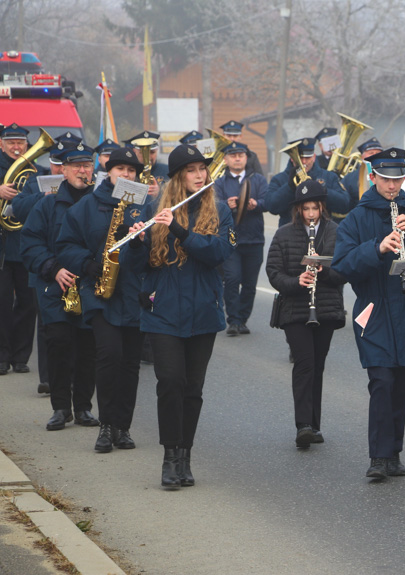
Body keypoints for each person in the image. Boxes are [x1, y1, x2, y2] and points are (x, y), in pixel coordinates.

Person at [332, 147, 405, 479]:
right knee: (381, 381)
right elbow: (341, 265)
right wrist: (377, 248)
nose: (392, 186)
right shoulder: (358, 216)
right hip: (374, 309)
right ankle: (378, 457)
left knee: (400, 384)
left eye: (398, 180)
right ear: (373, 177)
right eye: (385, 179)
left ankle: (394, 452)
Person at [125, 144, 235, 489]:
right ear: (177, 176)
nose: (199, 175)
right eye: (191, 170)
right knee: (170, 382)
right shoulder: (154, 207)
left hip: (203, 311)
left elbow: (218, 254)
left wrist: (180, 231)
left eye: (202, 169)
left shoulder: (218, 210)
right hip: (163, 311)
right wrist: (136, 242)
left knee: (193, 388)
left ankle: (185, 455)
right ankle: (169, 457)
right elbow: (136, 267)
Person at [57, 147, 148, 453]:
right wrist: (86, 263)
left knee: (130, 365)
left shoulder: (143, 206)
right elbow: (65, 243)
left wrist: (138, 244)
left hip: (134, 294)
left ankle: (123, 427)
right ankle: (106, 426)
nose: (127, 174)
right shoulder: (86, 206)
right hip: (101, 294)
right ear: (109, 171)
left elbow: (155, 255)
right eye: (121, 169)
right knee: (109, 357)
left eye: (132, 171)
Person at [20, 143, 98, 431]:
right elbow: (31, 244)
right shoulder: (47, 204)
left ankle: (84, 408)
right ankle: (61, 407)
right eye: (75, 166)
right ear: (62, 170)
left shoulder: (100, 202)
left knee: (87, 348)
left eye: (87, 165)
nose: (82, 170)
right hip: (56, 288)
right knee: (59, 344)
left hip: (89, 286)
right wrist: (53, 269)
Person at [266, 180, 346, 448]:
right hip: (295, 310)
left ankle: (315, 424)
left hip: (325, 307)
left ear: (322, 208)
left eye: (315, 208)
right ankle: (303, 426)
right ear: (298, 209)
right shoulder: (284, 234)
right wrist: (296, 282)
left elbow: (344, 271)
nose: (310, 214)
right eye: (305, 208)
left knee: (318, 365)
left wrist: (325, 271)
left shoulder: (336, 232)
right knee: (304, 364)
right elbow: (274, 272)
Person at [13, 138, 72, 393]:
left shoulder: (83, 187)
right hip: (45, 268)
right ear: (51, 163)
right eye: (56, 164)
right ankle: (48, 379)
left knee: (75, 327)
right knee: (48, 327)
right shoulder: (35, 180)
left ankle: (73, 381)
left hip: (74, 266)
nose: (59, 170)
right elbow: (18, 208)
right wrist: (43, 196)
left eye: (64, 164)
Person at [213, 141, 268, 336]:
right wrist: (226, 205)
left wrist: (257, 203)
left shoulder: (259, 179)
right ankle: (233, 320)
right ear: (226, 159)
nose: (237, 158)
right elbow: (214, 206)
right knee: (232, 278)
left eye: (241, 155)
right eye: (233, 155)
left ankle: (243, 319)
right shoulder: (219, 182)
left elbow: (267, 201)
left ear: (246, 158)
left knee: (250, 283)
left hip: (254, 239)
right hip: (231, 240)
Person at [0, 123, 39, 377]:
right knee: (2, 303)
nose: (16, 147)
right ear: (1, 144)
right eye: (11, 142)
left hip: (26, 244)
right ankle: (2, 356)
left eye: (21, 143)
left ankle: (21, 357)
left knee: (28, 303)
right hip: (3, 246)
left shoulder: (35, 170)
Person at [265, 137, 350, 227]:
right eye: (300, 157)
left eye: (308, 157)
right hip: (290, 234)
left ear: (314, 157)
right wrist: (290, 187)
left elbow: (345, 205)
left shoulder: (329, 177)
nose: (304, 161)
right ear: (292, 158)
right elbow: (271, 207)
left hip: (322, 234)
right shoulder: (279, 179)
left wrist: (323, 191)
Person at [341, 137, 383, 212]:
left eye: (378, 153)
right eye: (371, 153)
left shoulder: (388, 175)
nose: (374, 156)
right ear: (362, 157)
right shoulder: (349, 178)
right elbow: (344, 203)